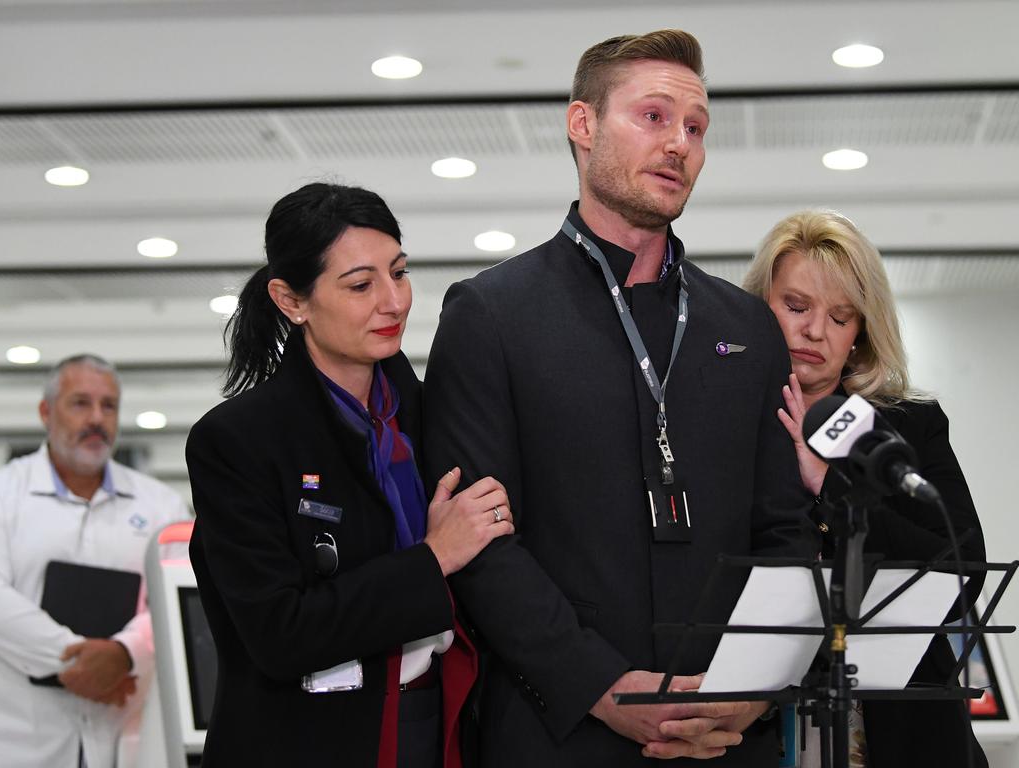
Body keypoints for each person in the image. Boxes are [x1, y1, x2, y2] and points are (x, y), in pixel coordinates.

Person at [423, 30, 816, 766]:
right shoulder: (492, 314)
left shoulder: (746, 326)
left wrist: (753, 687)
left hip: (730, 737)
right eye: (654, 117)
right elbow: (481, 546)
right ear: (583, 125)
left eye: (695, 128)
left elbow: (785, 533)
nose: (679, 145)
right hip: (560, 731)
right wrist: (605, 687)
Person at [185, 182, 515, 768]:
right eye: (361, 285)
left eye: (400, 272)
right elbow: (280, 634)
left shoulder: (431, 414)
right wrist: (434, 557)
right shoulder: (238, 441)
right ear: (291, 300)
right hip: (310, 739)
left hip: (442, 720)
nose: (394, 301)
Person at [743, 209, 987, 768]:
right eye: (796, 306)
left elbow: (963, 567)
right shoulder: (721, 423)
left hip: (901, 730)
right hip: (757, 725)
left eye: (841, 317)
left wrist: (832, 488)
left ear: (860, 335)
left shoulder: (907, 426)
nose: (815, 331)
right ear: (758, 308)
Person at [0, 354, 190, 768]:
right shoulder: (2, 494)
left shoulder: (162, 506)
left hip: (128, 736)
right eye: (81, 403)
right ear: (47, 412)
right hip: (18, 739)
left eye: (109, 406)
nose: (97, 418)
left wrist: (125, 653)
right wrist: (80, 660)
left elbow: (181, 598)